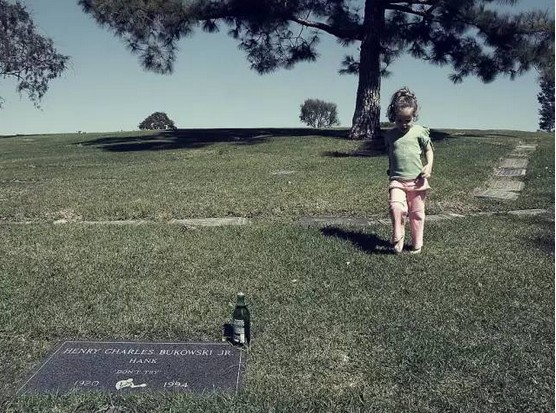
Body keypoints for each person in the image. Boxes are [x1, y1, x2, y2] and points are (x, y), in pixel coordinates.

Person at [384, 87, 434, 254]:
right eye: (399, 120)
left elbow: (429, 150)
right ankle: (398, 235)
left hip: (417, 180)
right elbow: (392, 153)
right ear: (394, 116)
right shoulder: (390, 135)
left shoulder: (419, 132)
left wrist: (429, 165)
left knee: (416, 213)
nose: (404, 124)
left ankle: (416, 244)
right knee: (395, 207)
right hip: (397, 180)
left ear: (414, 115)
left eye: (408, 120)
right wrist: (391, 169)